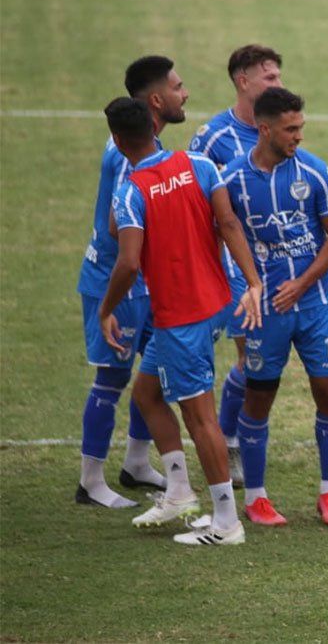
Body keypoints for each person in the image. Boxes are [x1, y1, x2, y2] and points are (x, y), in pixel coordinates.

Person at [190, 44, 328, 487]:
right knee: (251, 368)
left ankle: (236, 448)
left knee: (292, 378)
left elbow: (314, 210)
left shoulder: (306, 164)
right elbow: (213, 214)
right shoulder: (215, 142)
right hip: (244, 272)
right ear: (245, 83)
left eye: (278, 77)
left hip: (305, 287)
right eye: (270, 78)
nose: (278, 83)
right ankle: (230, 447)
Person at [100, 96, 262, 546]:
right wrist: (252, 282)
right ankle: (178, 491)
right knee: (148, 393)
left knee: (200, 418)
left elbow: (128, 260)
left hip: (179, 317)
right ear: (155, 126)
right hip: (214, 303)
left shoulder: (131, 190)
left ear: (117, 139)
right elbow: (228, 223)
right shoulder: (199, 165)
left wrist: (105, 307)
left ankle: (226, 523)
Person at [221, 87, 328, 527]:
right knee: (259, 396)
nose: (298, 135)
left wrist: (301, 283)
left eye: (301, 127)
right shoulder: (233, 179)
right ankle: (256, 498)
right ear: (265, 129)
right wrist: (244, 287)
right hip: (266, 309)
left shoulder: (314, 172)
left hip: (317, 302)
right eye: (290, 129)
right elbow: (223, 234)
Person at [74, 55, 189, 508]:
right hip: (116, 283)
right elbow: (118, 230)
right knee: (112, 378)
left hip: (143, 284)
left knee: (154, 373)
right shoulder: (130, 158)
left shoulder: (143, 144)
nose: (186, 94)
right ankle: (90, 481)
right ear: (157, 100)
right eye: (179, 87)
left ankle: (137, 464)